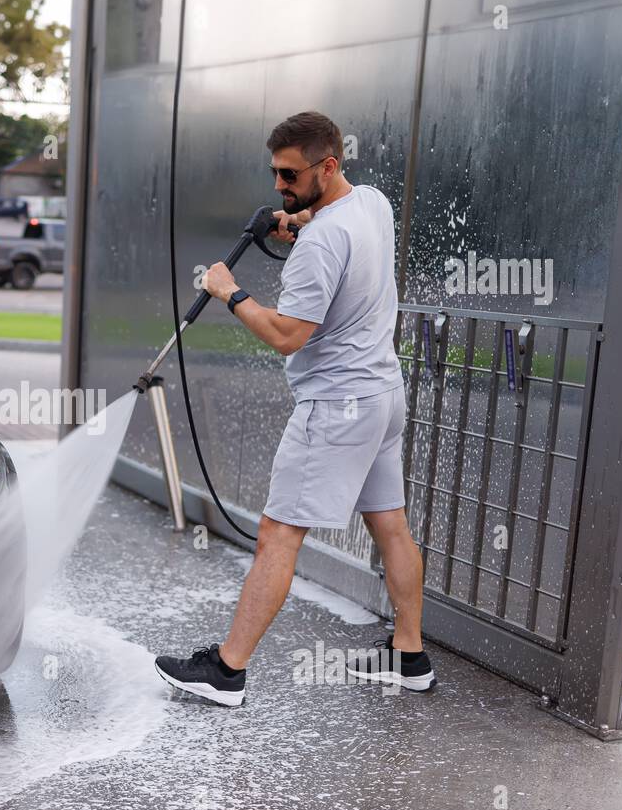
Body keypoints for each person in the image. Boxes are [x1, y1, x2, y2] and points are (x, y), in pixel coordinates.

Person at [154, 110, 435, 706]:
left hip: (335, 406)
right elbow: (330, 223)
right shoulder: (373, 204)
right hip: (382, 396)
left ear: (327, 165)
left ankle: (227, 672)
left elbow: (288, 334)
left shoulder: (321, 245)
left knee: (277, 538)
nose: (279, 187)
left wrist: (230, 293)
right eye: (275, 175)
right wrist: (299, 218)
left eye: (290, 175)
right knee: (391, 524)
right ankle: (409, 654)